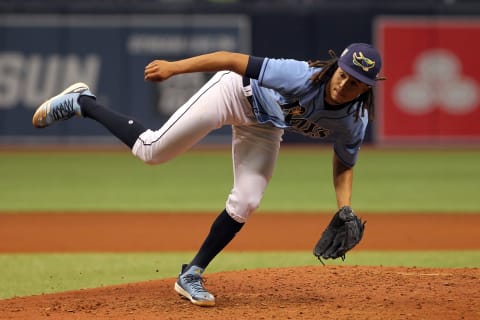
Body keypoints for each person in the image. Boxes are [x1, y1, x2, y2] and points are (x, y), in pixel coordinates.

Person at [32, 43, 384, 307]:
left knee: (247, 200)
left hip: (265, 126)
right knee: (152, 151)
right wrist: (174, 68)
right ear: (335, 67)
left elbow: (345, 162)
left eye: (355, 83)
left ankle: (191, 273)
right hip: (233, 93)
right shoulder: (299, 75)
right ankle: (83, 103)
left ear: (366, 89)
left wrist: (345, 209)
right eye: (343, 75)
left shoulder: (353, 121)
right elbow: (230, 59)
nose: (344, 85)